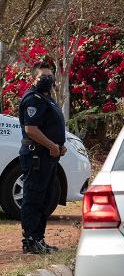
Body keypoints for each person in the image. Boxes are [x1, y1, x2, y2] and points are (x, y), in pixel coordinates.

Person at [17, 61, 67, 255]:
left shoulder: (47, 98)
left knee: (45, 199)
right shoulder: (33, 99)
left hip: (48, 156)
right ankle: (29, 241)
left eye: (50, 76)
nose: (48, 80)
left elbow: (48, 126)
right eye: (43, 77)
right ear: (33, 79)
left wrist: (59, 146)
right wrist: (52, 145)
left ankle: (38, 239)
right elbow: (31, 129)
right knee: (34, 198)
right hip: (36, 156)